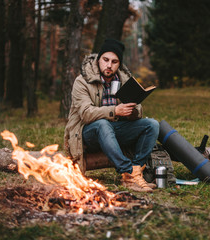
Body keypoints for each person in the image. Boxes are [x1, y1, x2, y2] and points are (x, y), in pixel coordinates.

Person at [64, 39, 159, 192]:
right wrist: (115, 111)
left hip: (114, 130)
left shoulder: (123, 80)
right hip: (87, 133)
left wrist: (132, 111)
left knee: (152, 125)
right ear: (98, 59)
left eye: (114, 62)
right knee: (103, 124)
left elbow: (139, 111)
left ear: (119, 64)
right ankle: (128, 173)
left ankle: (136, 173)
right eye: (105, 60)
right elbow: (86, 114)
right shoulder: (82, 81)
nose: (109, 65)